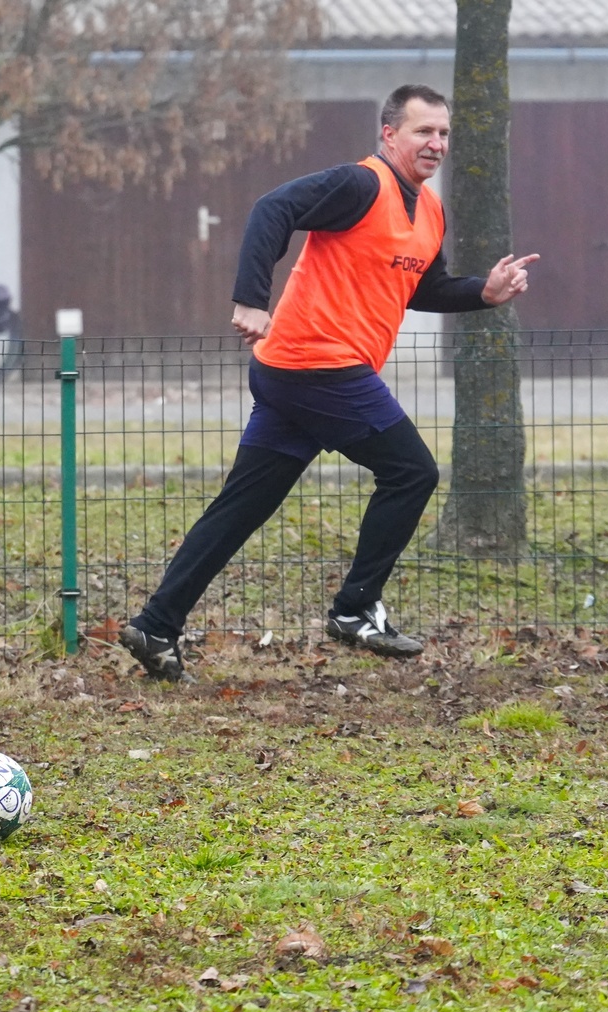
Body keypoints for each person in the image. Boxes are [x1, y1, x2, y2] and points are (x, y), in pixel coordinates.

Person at [119, 84, 538, 681]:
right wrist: (250, 298)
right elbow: (272, 209)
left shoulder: (430, 211)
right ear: (389, 134)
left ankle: (155, 624)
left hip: (296, 371)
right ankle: (355, 609)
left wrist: (484, 293)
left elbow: (423, 288)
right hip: (318, 364)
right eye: (423, 131)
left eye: (444, 133)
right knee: (412, 471)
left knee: (242, 506)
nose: (436, 143)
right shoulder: (360, 184)